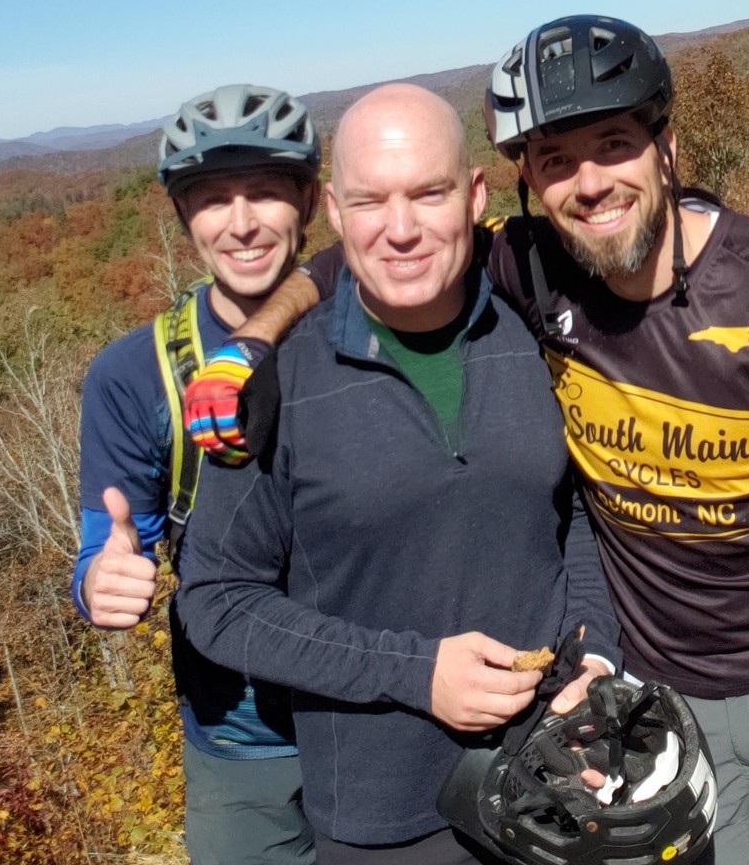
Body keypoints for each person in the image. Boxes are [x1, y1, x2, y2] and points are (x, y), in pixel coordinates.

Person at [210, 19, 749, 863]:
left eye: (614, 144)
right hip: (659, 701)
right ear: (523, 185)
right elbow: (364, 254)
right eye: (555, 160)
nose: (589, 184)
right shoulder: (528, 268)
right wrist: (249, 345)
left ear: (667, 144)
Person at [175, 83, 620, 865]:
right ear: (336, 214)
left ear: (476, 195)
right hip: (389, 820)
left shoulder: (531, 327)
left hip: (558, 779)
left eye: (430, 193)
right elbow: (216, 600)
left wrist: (594, 655)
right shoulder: (282, 382)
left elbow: (572, 514)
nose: (403, 229)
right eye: (371, 202)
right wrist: (413, 672)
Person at [74, 84, 321, 864]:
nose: (241, 223)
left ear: (310, 201)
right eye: (212, 199)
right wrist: (99, 582)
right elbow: (107, 543)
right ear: (184, 219)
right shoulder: (135, 373)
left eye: (266, 194)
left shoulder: (383, 322)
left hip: (389, 712)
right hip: (241, 731)